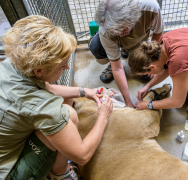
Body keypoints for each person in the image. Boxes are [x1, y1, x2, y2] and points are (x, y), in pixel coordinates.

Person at [0, 15, 113, 180]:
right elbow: (82, 156)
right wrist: (103, 116)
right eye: (63, 65)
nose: (68, 67)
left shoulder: (13, 62)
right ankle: (60, 173)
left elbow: (49, 88)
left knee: (65, 103)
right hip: (9, 172)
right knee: (69, 113)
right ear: (39, 70)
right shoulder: (43, 107)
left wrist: (83, 91)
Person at [89, 0, 164, 108]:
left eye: (123, 30)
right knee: (96, 47)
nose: (120, 34)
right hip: (113, 42)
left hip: (139, 39)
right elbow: (118, 68)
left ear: (133, 17)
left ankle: (129, 51)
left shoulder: (150, 8)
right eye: (116, 31)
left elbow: (158, 33)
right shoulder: (105, 30)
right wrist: (128, 101)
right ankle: (115, 56)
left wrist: (152, 60)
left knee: (147, 72)